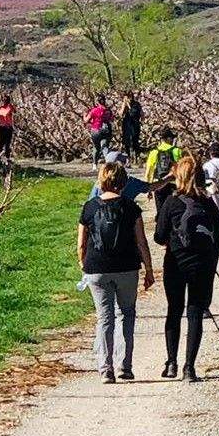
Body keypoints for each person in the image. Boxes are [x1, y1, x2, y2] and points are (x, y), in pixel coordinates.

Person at [154, 153, 219, 381]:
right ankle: (189, 367)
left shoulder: (171, 202)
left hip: (176, 262)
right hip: (203, 263)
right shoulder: (207, 202)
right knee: (195, 312)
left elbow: (159, 237)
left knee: (174, 311)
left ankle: (171, 362)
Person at [77, 160, 154, 382]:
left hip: (97, 268)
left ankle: (105, 369)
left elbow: (81, 243)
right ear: (123, 182)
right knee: (126, 314)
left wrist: (84, 264)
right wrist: (148, 269)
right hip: (127, 267)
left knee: (104, 317)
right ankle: (124, 366)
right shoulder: (131, 208)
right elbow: (141, 242)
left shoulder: (89, 207)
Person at [146, 128, 184, 202]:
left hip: (159, 185)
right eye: (172, 138)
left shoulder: (154, 152)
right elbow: (182, 170)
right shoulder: (177, 151)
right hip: (174, 185)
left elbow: (149, 172)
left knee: (161, 211)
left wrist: (149, 189)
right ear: (169, 138)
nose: (173, 140)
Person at [85, 95, 112, 167]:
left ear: (98, 101)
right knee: (105, 147)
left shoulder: (94, 110)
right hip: (106, 130)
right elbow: (111, 119)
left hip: (96, 130)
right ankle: (108, 163)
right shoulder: (108, 110)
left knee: (96, 147)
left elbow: (86, 120)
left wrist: (84, 116)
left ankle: (94, 164)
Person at [120, 92, 144, 159]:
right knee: (130, 140)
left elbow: (142, 114)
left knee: (132, 141)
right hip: (130, 124)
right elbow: (121, 114)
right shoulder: (128, 104)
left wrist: (125, 105)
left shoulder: (136, 104)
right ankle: (131, 156)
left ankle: (133, 156)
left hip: (132, 124)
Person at [0, 93, 17, 160]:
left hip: (7, 127)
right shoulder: (0, 108)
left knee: (6, 143)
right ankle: (0, 156)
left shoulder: (9, 107)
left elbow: (14, 111)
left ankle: (6, 157)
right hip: (3, 127)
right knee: (3, 142)